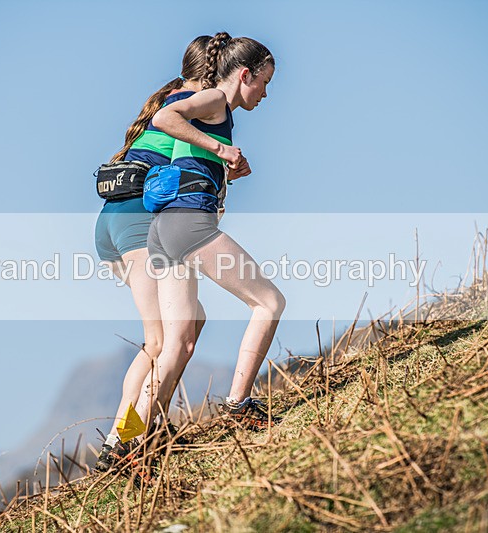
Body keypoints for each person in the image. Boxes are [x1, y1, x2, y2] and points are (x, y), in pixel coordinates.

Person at [132, 32, 285, 438]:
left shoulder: (220, 115)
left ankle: (130, 439)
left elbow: (188, 151)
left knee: (176, 346)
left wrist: (223, 170)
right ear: (246, 74)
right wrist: (220, 153)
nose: (266, 93)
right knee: (269, 302)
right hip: (186, 225)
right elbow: (165, 118)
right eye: (265, 82)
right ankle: (239, 403)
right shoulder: (217, 100)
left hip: (163, 231)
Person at [92, 36, 211, 472]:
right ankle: (124, 441)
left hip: (112, 222)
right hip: (137, 223)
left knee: (188, 323)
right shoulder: (195, 105)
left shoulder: (167, 96)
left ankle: (135, 430)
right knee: (163, 339)